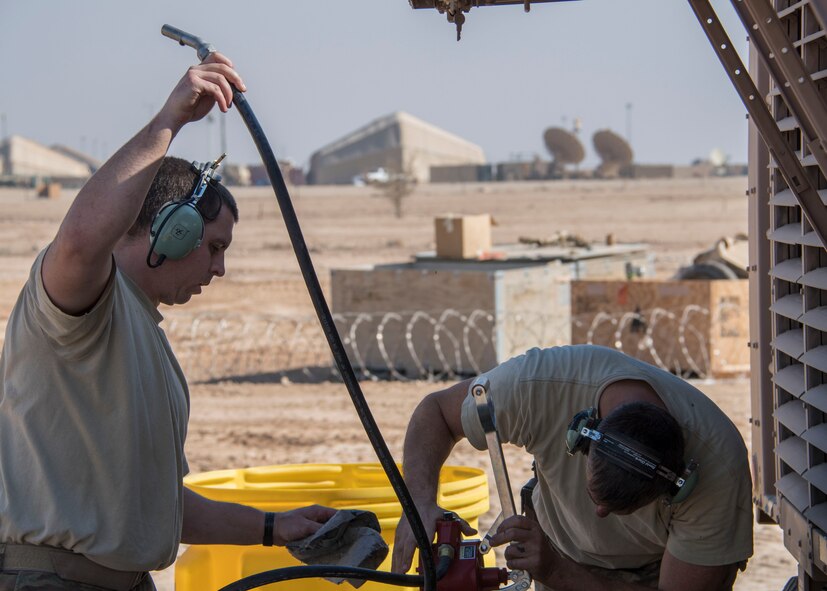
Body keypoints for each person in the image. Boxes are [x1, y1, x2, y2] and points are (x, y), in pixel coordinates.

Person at [0, 53, 335, 590]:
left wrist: (276, 527)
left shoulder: (147, 339)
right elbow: (81, 243)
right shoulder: (84, 311)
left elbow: (160, 506)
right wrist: (168, 122)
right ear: (173, 231)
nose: (221, 269)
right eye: (216, 247)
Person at [391, 345, 753, 591]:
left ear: (678, 486)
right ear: (581, 435)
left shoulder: (718, 473)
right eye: (595, 493)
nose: (598, 512)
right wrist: (420, 501)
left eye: (620, 508)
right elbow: (436, 413)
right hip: (557, 546)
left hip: (656, 570)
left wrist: (556, 571)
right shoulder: (539, 387)